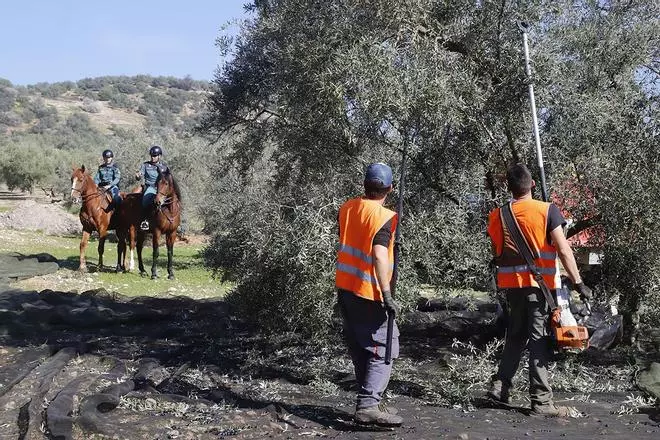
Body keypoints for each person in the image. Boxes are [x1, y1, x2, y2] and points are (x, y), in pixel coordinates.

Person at [486, 163, 592, 416]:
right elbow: (564, 249)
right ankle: (542, 402)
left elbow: (497, 252)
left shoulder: (496, 215)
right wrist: (578, 282)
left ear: (508, 188)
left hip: (512, 288)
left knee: (515, 336)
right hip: (538, 287)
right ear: (532, 185)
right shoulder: (547, 211)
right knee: (537, 340)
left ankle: (500, 388)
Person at [336, 162, 403, 427]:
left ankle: (369, 399)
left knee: (360, 346)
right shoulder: (385, 216)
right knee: (384, 346)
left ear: (365, 185)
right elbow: (376, 253)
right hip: (370, 292)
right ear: (390, 188)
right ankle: (368, 406)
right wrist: (387, 293)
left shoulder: (347, 208)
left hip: (346, 287)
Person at [135, 145, 168, 231]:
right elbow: (140, 174)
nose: (153, 157)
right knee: (145, 200)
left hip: (162, 189)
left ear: (159, 156)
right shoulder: (145, 165)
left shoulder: (164, 167)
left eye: (155, 156)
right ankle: (145, 221)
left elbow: (168, 178)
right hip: (151, 187)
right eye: (152, 156)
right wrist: (138, 176)